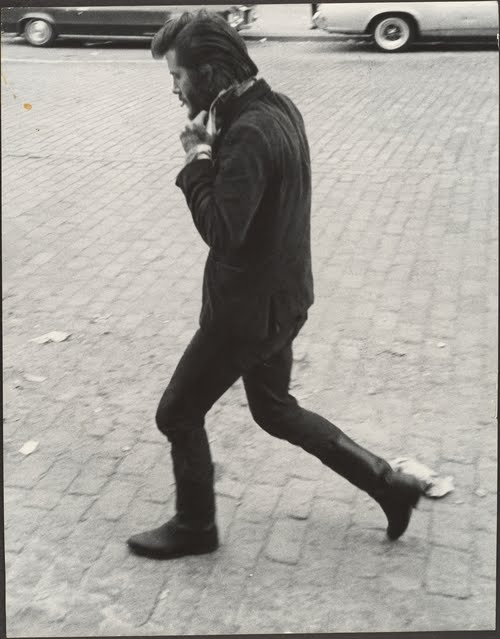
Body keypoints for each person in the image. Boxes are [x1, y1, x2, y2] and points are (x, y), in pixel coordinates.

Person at [127, 10, 424, 560]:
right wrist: (214, 151)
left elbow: (223, 230)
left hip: (244, 314)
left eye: (177, 77)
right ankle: (389, 484)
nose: (173, 89)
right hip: (282, 300)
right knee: (275, 410)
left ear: (210, 71)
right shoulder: (276, 106)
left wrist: (196, 158)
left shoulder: (247, 133)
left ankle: (196, 527)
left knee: (177, 414)